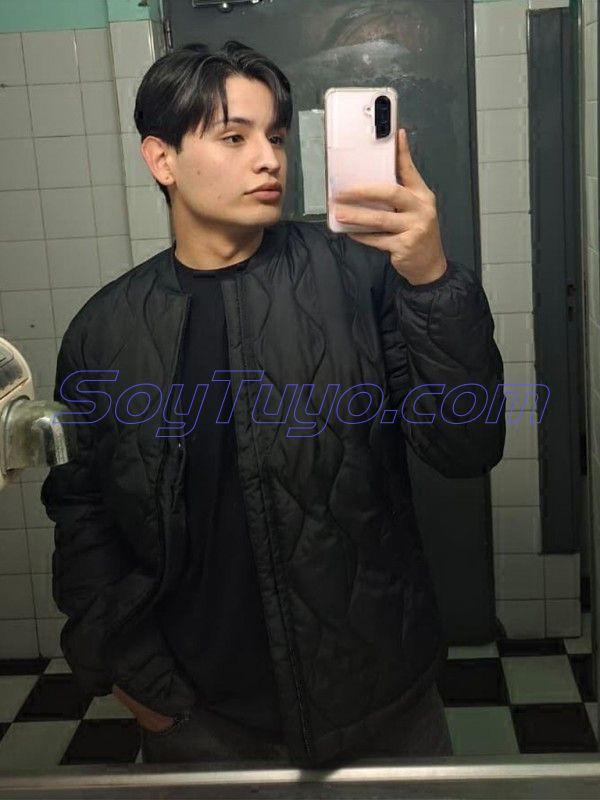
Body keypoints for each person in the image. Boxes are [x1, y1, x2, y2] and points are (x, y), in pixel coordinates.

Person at [41, 40, 506, 768]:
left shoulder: (360, 278)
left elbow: (466, 446)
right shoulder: (103, 332)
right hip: (196, 718)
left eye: (277, 137)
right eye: (235, 137)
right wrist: (138, 684)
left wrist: (431, 280)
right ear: (162, 160)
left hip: (380, 707)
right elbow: (83, 513)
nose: (270, 160)